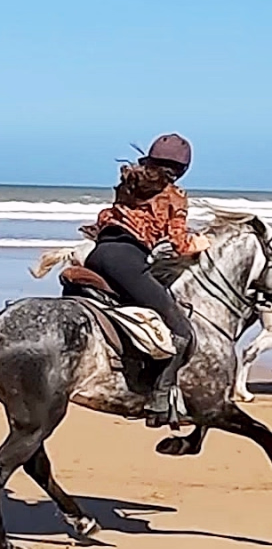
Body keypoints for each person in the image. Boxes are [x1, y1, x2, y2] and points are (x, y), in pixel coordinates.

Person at [80, 132, 207, 426]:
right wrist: (198, 245)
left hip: (98, 254)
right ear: (183, 168)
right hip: (126, 260)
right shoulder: (175, 195)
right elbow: (177, 241)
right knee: (182, 331)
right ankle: (159, 400)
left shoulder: (130, 182)